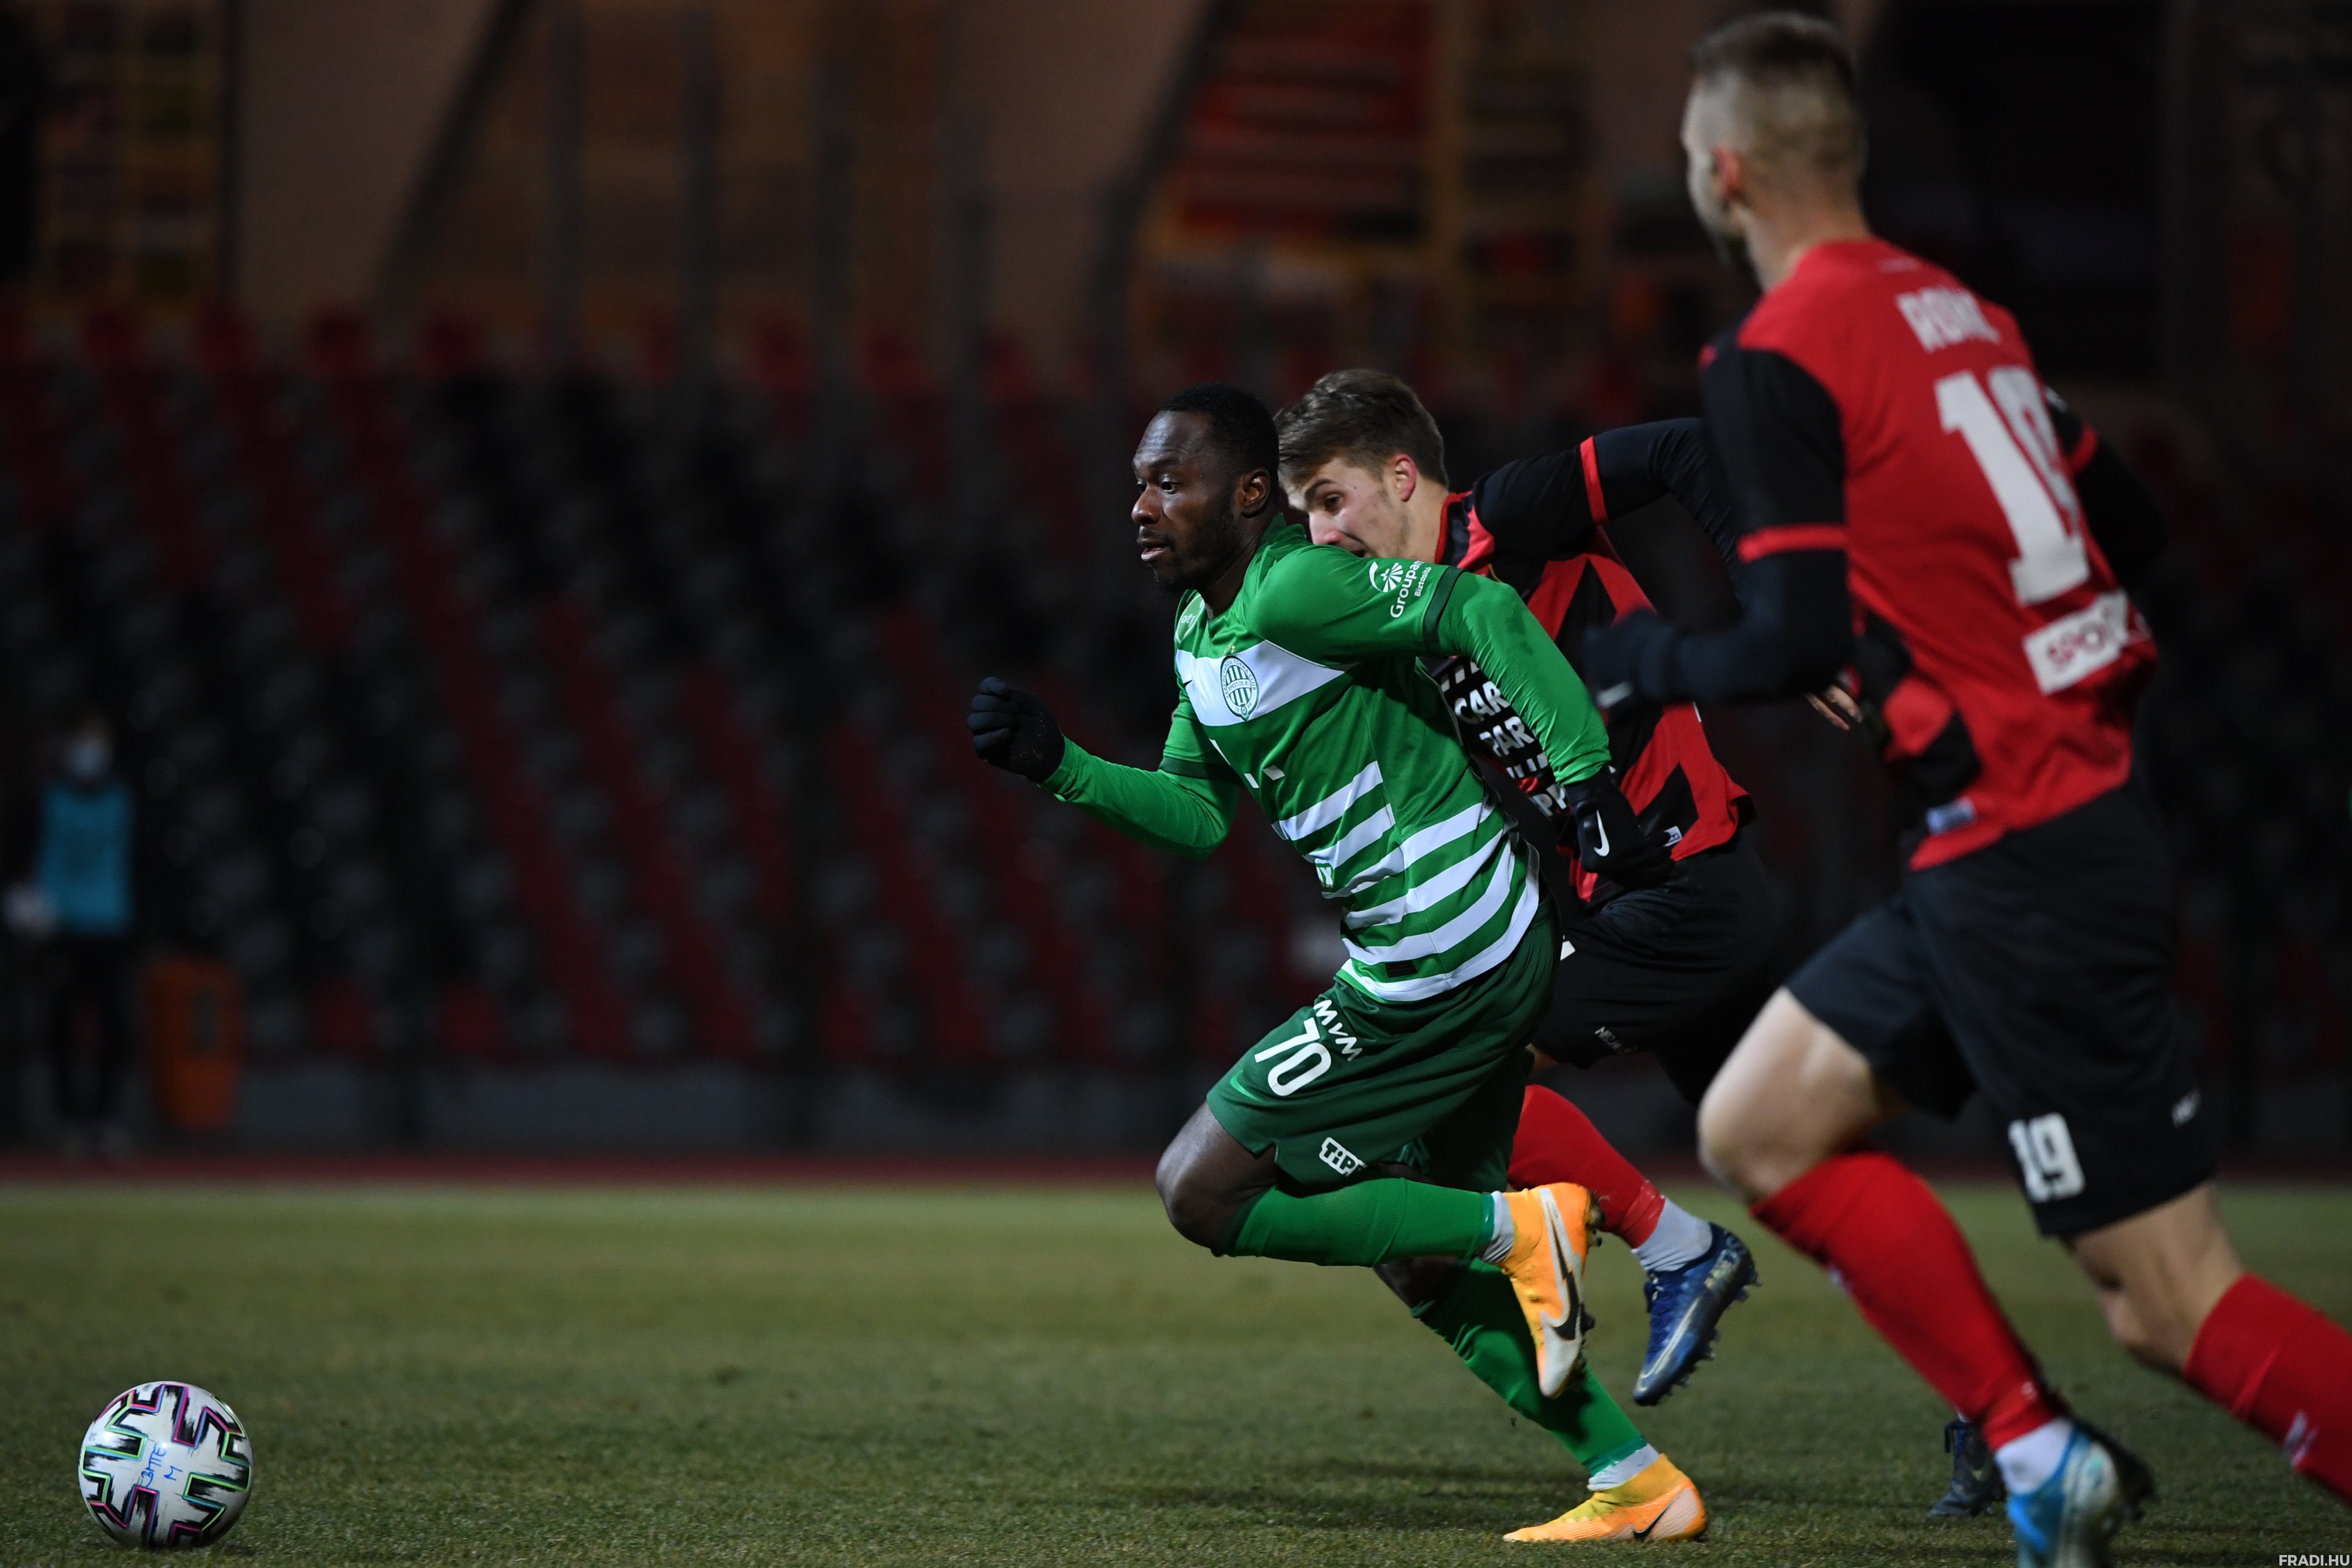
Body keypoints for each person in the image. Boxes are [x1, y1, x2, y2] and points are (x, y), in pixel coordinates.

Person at [1577, 13, 2352, 1565]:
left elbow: (1789, 640)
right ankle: (2033, 1450)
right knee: (1758, 1124)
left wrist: (1641, 658)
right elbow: (2129, 525)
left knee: (2165, 1301)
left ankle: (2045, 1443)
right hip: (2003, 841)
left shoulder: (1773, 351)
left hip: (2026, 859)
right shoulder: (1958, 312)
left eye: (1685, 153)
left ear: (1724, 173)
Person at [968, 382, 1706, 1542]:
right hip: (1466, 946)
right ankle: (1635, 1479)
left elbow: (1477, 609)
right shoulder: (1200, 631)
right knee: (1418, 1262)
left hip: (1441, 948)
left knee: (1200, 1189)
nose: (1142, 507)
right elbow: (1194, 814)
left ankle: (1524, 1230)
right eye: (1137, 485)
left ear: (1247, 496)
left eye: (1170, 483)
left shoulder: (1294, 587)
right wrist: (1060, 765)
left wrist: (1585, 781)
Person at [1273, 368, 1768, 1411]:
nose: (1320, 534)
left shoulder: (1509, 516)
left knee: (1461, 1059)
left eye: (1330, 498)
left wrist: (1776, 614)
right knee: (1790, 1159)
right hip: (1628, 902)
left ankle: (1676, 1250)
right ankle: (2003, 1413)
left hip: (1686, 883)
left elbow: (1683, 446)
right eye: (1302, 512)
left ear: (1400, 476)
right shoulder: (1402, 623)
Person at [9, 711, 137, 1156]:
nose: (88, 753)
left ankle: (105, 1119)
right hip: (60, 930)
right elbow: (21, 860)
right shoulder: (46, 800)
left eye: (95, 742)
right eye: (81, 742)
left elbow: (140, 863)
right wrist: (25, 905)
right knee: (60, 1029)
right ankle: (69, 1119)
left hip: (110, 929)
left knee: (115, 1030)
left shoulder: (122, 800)